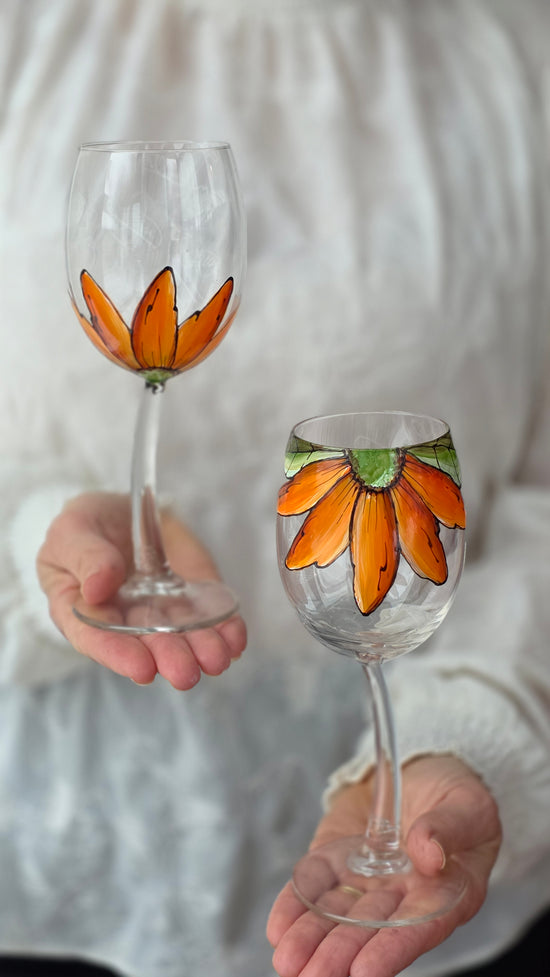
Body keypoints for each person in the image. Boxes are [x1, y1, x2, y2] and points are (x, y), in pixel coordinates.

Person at [0, 1, 549, 976]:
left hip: (433, 894)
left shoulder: (517, 55)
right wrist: (41, 531)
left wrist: (472, 737)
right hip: (51, 853)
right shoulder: (28, 36)